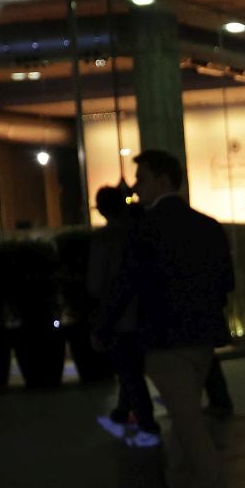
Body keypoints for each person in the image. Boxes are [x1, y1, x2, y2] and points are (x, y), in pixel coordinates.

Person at [96, 149, 235, 488]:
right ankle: (175, 478)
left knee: (186, 417)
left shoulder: (143, 229)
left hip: (163, 335)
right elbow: (226, 281)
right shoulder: (207, 226)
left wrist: (104, 326)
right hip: (203, 334)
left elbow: (126, 285)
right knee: (185, 409)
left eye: (141, 178)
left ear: (161, 179)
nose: (136, 186)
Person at [89, 186, 160, 448]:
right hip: (146, 312)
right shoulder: (140, 233)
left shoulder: (105, 238)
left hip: (120, 316)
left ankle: (146, 425)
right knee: (133, 370)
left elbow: (96, 284)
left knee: (129, 372)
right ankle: (122, 414)